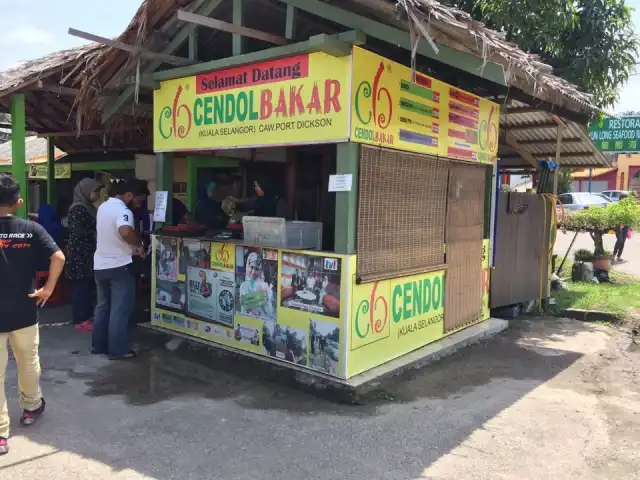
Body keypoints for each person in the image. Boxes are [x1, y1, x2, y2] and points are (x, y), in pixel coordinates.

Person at [0, 174, 65, 456]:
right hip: (25, 310)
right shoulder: (30, 229)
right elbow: (58, 257)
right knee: (28, 363)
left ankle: (0, 434)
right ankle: (30, 408)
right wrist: (47, 289)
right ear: (18, 202)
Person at [92, 178, 145, 360]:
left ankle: (98, 346)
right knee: (120, 310)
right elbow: (124, 231)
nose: (139, 203)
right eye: (139, 198)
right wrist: (138, 244)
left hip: (99, 265)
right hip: (119, 265)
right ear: (129, 195)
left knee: (102, 307)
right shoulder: (123, 210)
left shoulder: (103, 207)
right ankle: (118, 350)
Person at [65, 178, 103, 332]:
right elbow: (78, 231)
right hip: (80, 255)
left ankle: (85, 317)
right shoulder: (78, 208)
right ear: (86, 191)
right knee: (81, 288)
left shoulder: (88, 207)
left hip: (86, 254)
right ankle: (81, 320)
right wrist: (95, 233)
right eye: (96, 191)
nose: (98, 194)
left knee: (85, 286)